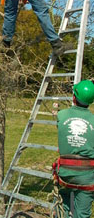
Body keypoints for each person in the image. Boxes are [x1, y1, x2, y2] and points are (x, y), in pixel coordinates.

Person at [56, 80, 94, 218]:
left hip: (65, 173)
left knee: (62, 208)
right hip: (87, 176)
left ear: (74, 97)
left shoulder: (61, 115)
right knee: (82, 214)